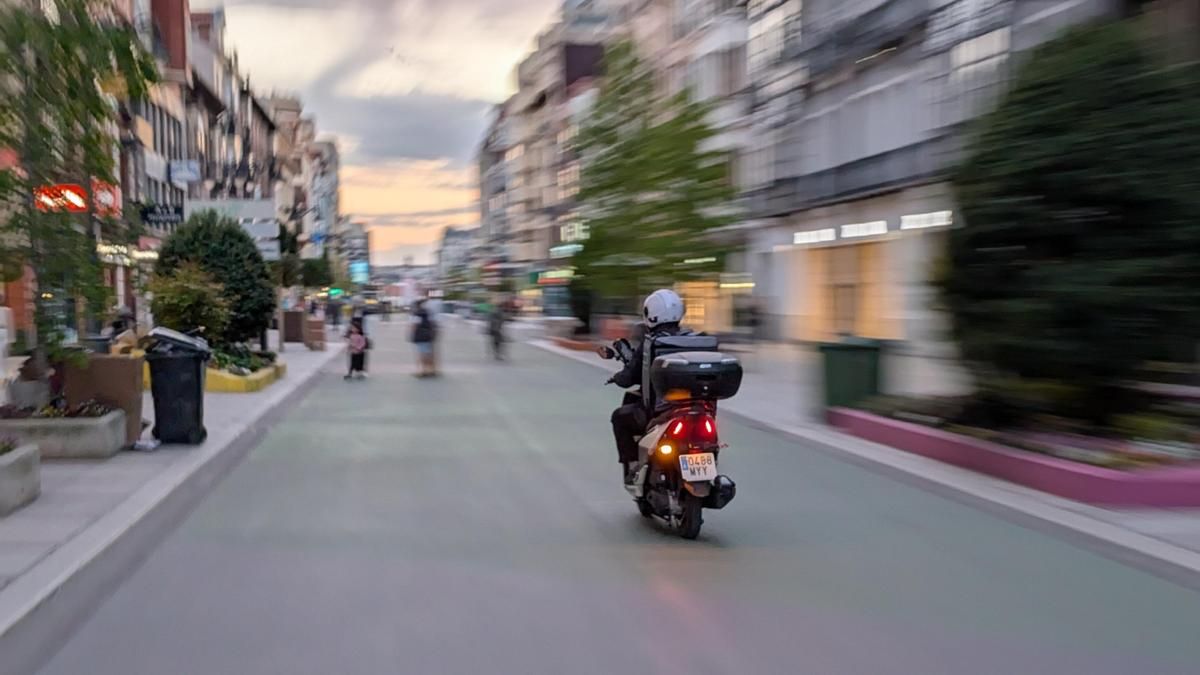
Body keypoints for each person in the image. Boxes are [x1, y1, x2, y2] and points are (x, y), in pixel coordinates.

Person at [599, 289, 688, 484]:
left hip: (659, 412)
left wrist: (618, 377)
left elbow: (629, 377)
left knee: (619, 417)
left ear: (651, 313)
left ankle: (632, 467)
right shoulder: (695, 340)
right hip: (695, 410)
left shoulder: (651, 344)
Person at [411, 300, 438, 377]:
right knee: (429, 353)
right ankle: (432, 370)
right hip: (429, 335)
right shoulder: (428, 312)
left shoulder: (417, 314)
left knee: (422, 354)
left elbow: (415, 325)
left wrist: (412, 335)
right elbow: (433, 323)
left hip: (421, 336)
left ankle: (423, 371)